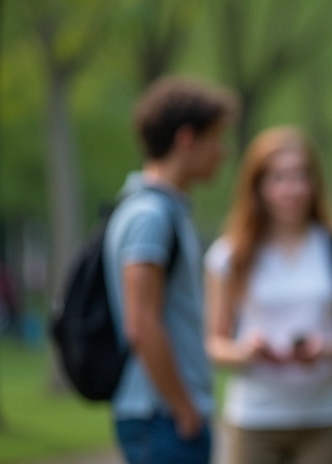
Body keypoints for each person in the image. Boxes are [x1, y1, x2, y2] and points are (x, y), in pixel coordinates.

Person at [205, 126, 332, 464]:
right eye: (278, 179)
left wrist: (325, 348)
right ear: (258, 186)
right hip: (255, 416)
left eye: (300, 177)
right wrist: (246, 351)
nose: (290, 190)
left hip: (323, 415)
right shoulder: (230, 255)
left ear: (315, 184)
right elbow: (215, 344)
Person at [104, 76, 237, 464]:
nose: (223, 152)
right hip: (161, 418)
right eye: (216, 138)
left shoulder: (163, 211)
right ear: (186, 139)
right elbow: (141, 322)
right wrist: (184, 409)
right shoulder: (150, 215)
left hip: (164, 417)